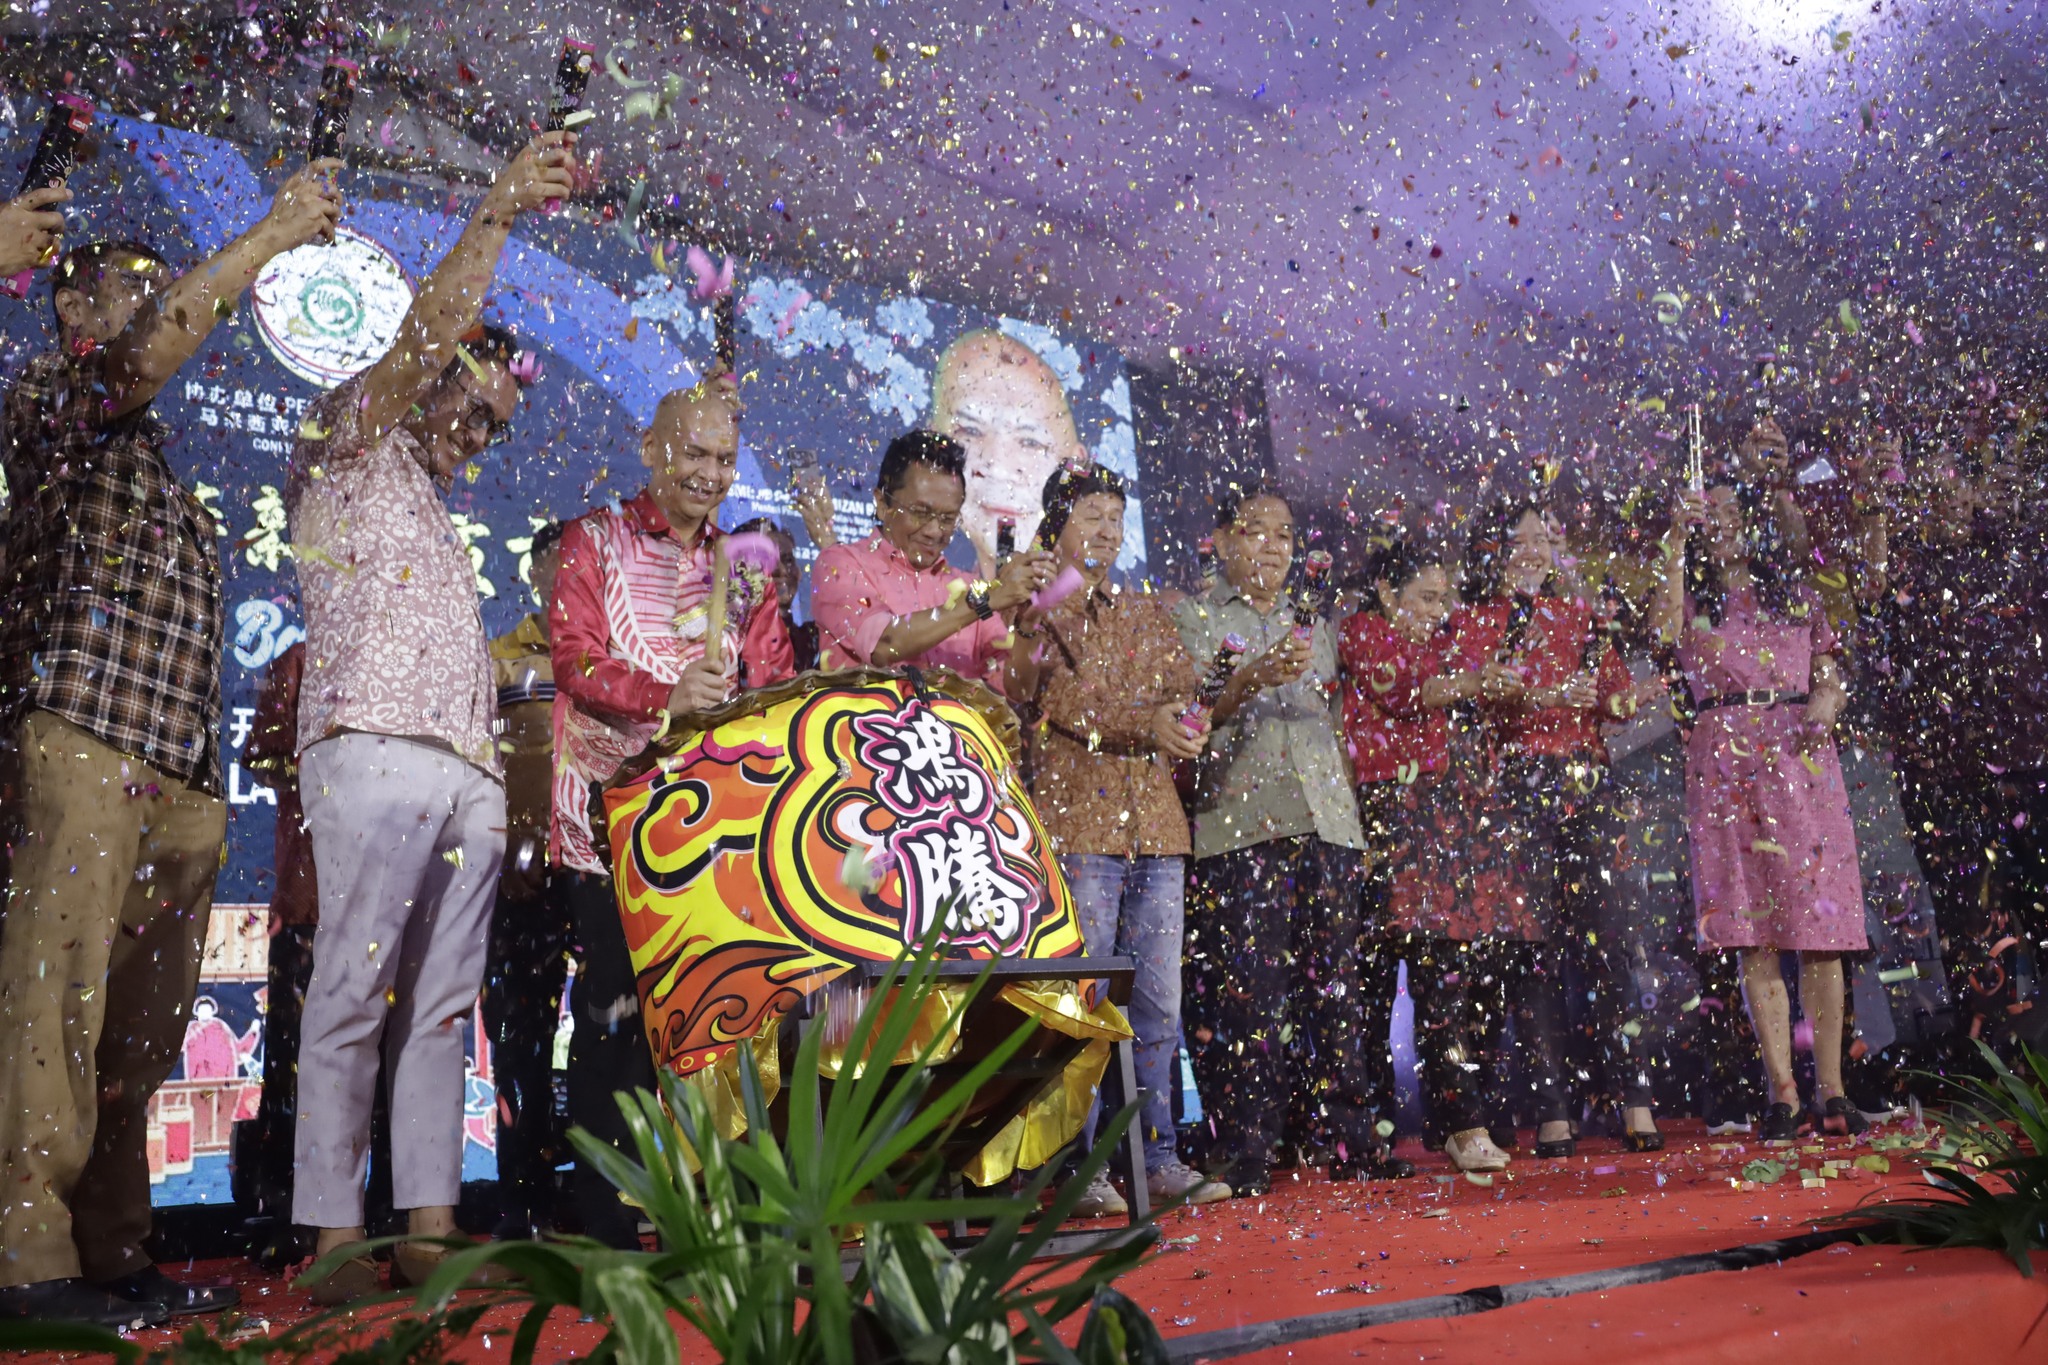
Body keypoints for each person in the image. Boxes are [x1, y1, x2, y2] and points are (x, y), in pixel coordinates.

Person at [0, 166, 343, 1326]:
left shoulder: (150, 460)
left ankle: (113, 1248)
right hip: (84, 742)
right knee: (55, 1010)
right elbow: (150, 351)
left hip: (176, 773)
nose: (160, 311)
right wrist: (274, 232)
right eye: (135, 295)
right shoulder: (51, 396)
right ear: (72, 308)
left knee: (138, 1033)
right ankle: (26, 1257)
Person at [286, 132, 575, 1304]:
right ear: (431, 367)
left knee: (441, 1012)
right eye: (469, 397)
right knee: (353, 992)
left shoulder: (442, 524)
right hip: (367, 748)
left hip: (460, 776)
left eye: (498, 423)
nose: (477, 430)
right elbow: (419, 334)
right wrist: (500, 208)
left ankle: (428, 1231)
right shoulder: (343, 445)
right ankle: (329, 1242)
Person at [549, 373, 795, 1247]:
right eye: (693, 452)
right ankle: (608, 1221)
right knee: (613, 1017)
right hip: (607, 828)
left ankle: (727, 1208)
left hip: (719, 837)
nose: (709, 472)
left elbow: (771, 686)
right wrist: (666, 695)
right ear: (652, 448)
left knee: (721, 1018)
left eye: (724, 458)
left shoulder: (743, 569)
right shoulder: (594, 541)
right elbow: (574, 660)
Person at [1174, 486, 1411, 1196]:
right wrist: (1247, 678)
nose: (1274, 547)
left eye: (1285, 534)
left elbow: (1333, 727)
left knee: (1337, 989)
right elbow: (1189, 720)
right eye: (1256, 532)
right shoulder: (1194, 617)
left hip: (1327, 824)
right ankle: (1245, 1149)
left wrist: (1355, 828)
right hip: (1242, 825)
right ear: (1222, 539)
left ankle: (1347, 1140)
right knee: (1250, 996)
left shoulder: (1315, 624)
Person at [1007, 463, 1230, 1217]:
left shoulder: (1143, 609)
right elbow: (1060, 698)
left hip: (1157, 829)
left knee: (1159, 1006)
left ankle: (1157, 1156)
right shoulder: (1039, 606)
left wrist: (1179, 714)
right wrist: (1151, 717)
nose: (1106, 529)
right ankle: (1078, 1164)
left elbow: (1181, 683)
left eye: (1114, 515)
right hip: (1078, 828)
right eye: (1091, 515)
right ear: (1056, 523)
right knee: (1084, 1001)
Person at [1385, 502, 1633, 1170]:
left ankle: (1599, 1099)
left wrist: (1609, 697)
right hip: (1478, 798)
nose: (1530, 549)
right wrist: (1528, 692)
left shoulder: (1579, 617)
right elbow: (1435, 695)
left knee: (1571, 946)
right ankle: (1512, 1111)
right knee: (1501, 959)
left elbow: (1619, 699)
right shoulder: (1463, 625)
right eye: (1516, 537)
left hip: (1540, 794)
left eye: (1543, 537)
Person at [1654, 482, 1868, 1140]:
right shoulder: (1691, 592)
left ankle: (1832, 1089)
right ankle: (1783, 1093)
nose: (1724, 525)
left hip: (1801, 758)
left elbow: (1831, 666)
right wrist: (1675, 540)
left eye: (1731, 513)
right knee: (1756, 933)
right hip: (1724, 763)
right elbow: (1662, 631)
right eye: (1711, 515)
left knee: (1821, 930)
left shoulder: (1799, 590)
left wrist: (1827, 705)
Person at [1335, 538, 1454, 1153]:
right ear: (1387, 591)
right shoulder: (1359, 631)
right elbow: (1404, 690)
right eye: (1425, 597)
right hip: (1380, 807)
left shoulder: (1441, 643)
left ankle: (1448, 1118)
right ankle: (1374, 1121)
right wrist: (1473, 680)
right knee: (1377, 969)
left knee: (1438, 968)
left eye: (1443, 598)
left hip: (1437, 806)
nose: (1438, 610)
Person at [483, 521, 571, 1238]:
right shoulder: (500, 659)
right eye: (557, 572)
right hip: (522, 877)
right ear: (536, 576)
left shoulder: (616, 658)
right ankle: (522, 1209)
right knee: (520, 1042)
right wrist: (513, 845)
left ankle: (604, 1202)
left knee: (612, 1046)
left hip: (603, 873)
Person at [812, 429, 1053, 690]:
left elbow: (1019, 689)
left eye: (948, 519)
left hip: (953, 731)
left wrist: (1028, 626)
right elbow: (884, 644)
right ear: (882, 503)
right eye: (920, 513)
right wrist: (986, 600)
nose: (934, 531)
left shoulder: (966, 586)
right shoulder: (840, 564)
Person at [930, 329, 1086, 570]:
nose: (999, 467)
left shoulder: (1097, 599)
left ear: (1075, 468)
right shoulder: (935, 596)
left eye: (1031, 442)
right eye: (970, 432)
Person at [730, 516, 820, 671]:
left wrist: (827, 540)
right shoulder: (728, 645)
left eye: (788, 560)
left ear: (799, 573)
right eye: (764, 561)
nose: (781, 570)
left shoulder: (815, 643)